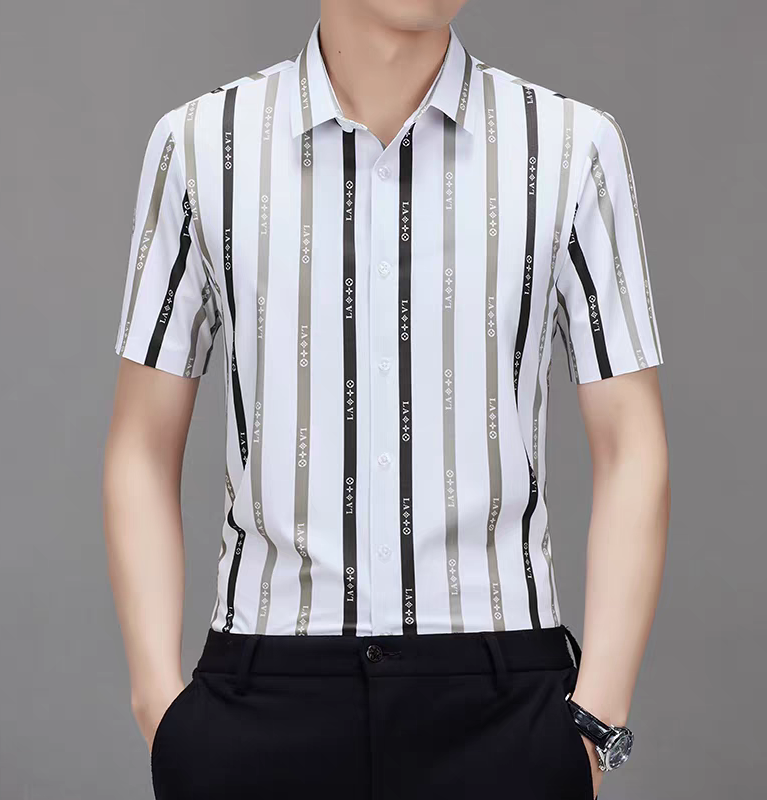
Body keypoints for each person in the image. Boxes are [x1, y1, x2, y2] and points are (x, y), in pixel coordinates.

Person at [103, 0, 670, 797]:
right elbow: (140, 446)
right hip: (259, 706)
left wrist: (594, 719)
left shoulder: (572, 148)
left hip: (503, 713)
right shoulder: (202, 146)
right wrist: (162, 708)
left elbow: (631, 446)